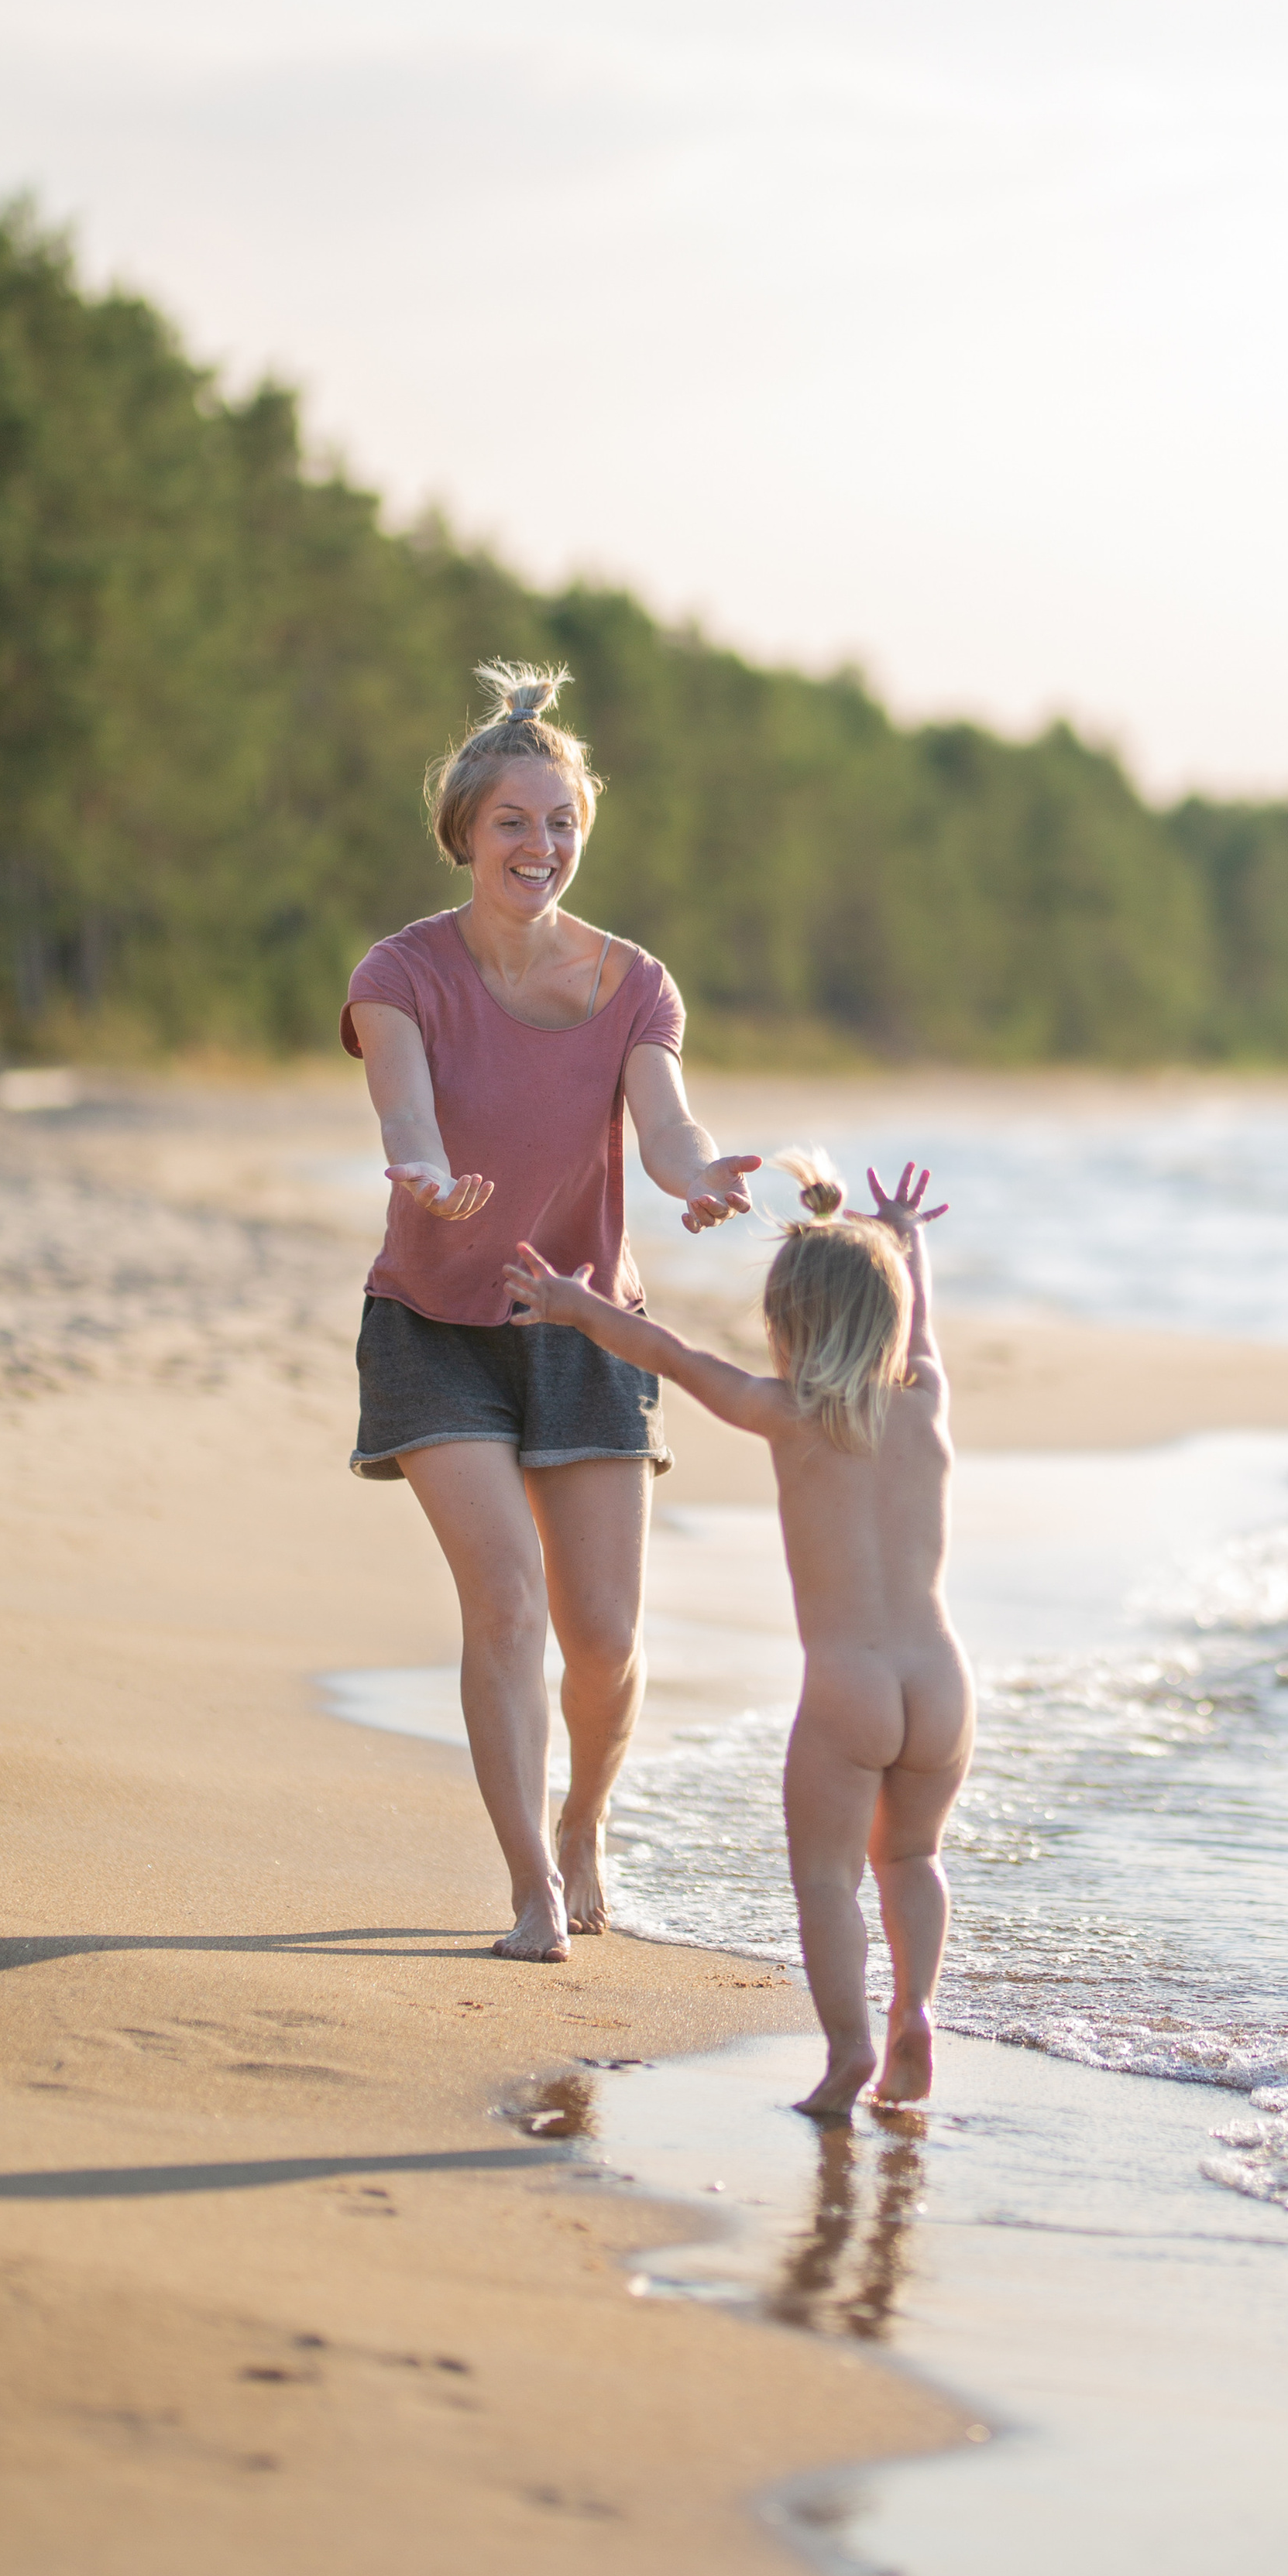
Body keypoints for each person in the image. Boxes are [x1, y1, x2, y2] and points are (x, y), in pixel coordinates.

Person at [341, 660, 761, 1964]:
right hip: (436, 1326)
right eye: (514, 821)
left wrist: (697, 1179)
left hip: (587, 1328)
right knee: (507, 1607)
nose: (541, 844)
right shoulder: (401, 970)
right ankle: (531, 1886)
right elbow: (406, 1113)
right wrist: (420, 1176)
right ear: (466, 831)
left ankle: (585, 1820)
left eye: (562, 820)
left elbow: (667, 1125)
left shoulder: (635, 983)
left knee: (607, 1643)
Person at [504, 1154, 974, 2116]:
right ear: (889, 1322)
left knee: (828, 1880)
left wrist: (572, 1307)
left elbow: (670, 1354)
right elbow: (916, 1328)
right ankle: (913, 2014)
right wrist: (906, 1244)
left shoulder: (788, 1414)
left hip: (848, 1689)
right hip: (941, 1685)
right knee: (913, 1859)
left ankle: (849, 2051)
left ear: (787, 1328)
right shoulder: (925, 1406)